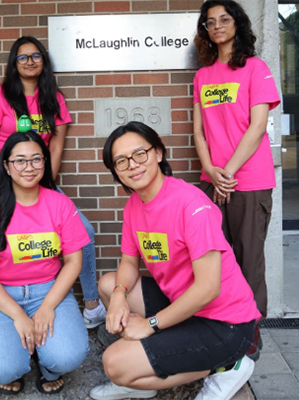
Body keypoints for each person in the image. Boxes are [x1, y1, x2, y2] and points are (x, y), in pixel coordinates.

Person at [89, 121, 261, 400]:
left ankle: (228, 365)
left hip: (224, 323)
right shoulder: (135, 204)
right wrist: (120, 294)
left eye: (139, 154)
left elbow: (208, 288)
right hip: (182, 304)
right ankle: (146, 372)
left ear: (158, 153)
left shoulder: (192, 205)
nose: (132, 165)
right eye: (121, 161)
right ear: (116, 171)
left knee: (114, 364)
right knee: (109, 284)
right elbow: (129, 263)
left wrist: (150, 324)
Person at [0, 36, 106, 328]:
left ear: (44, 61)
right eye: (22, 57)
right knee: (1, 240)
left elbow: (56, 147)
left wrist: (45, 184)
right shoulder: (0, 95)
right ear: (14, 63)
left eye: (36, 55)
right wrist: (4, 186)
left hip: (37, 175)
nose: (30, 61)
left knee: (82, 232)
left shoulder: (53, 98)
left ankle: (91, 306)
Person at [0, 131, 89, 395]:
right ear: (6, 165)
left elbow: (74, 261)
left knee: (67, 357)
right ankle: (18, 361)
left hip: (48, 290)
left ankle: (47, 364)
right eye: (20, 160)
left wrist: (48, 306)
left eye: (36, 159)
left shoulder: (60, 204)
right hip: (1, 294)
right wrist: (18, 315)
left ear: (45, 162)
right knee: (0, 369)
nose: (29, 167)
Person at [193, 0, 280, 361]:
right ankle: (223, 329)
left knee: (248, 260)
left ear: (237, 24)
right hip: (214, 181)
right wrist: (211, 171)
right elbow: (198, 131)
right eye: (210, 22)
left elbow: (257, 127)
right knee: (218, 262)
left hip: (249, 181)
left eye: (224, 19)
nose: (217, 26)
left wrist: (225, 171)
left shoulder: (255, 69)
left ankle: (249, 335)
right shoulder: (202, 76)